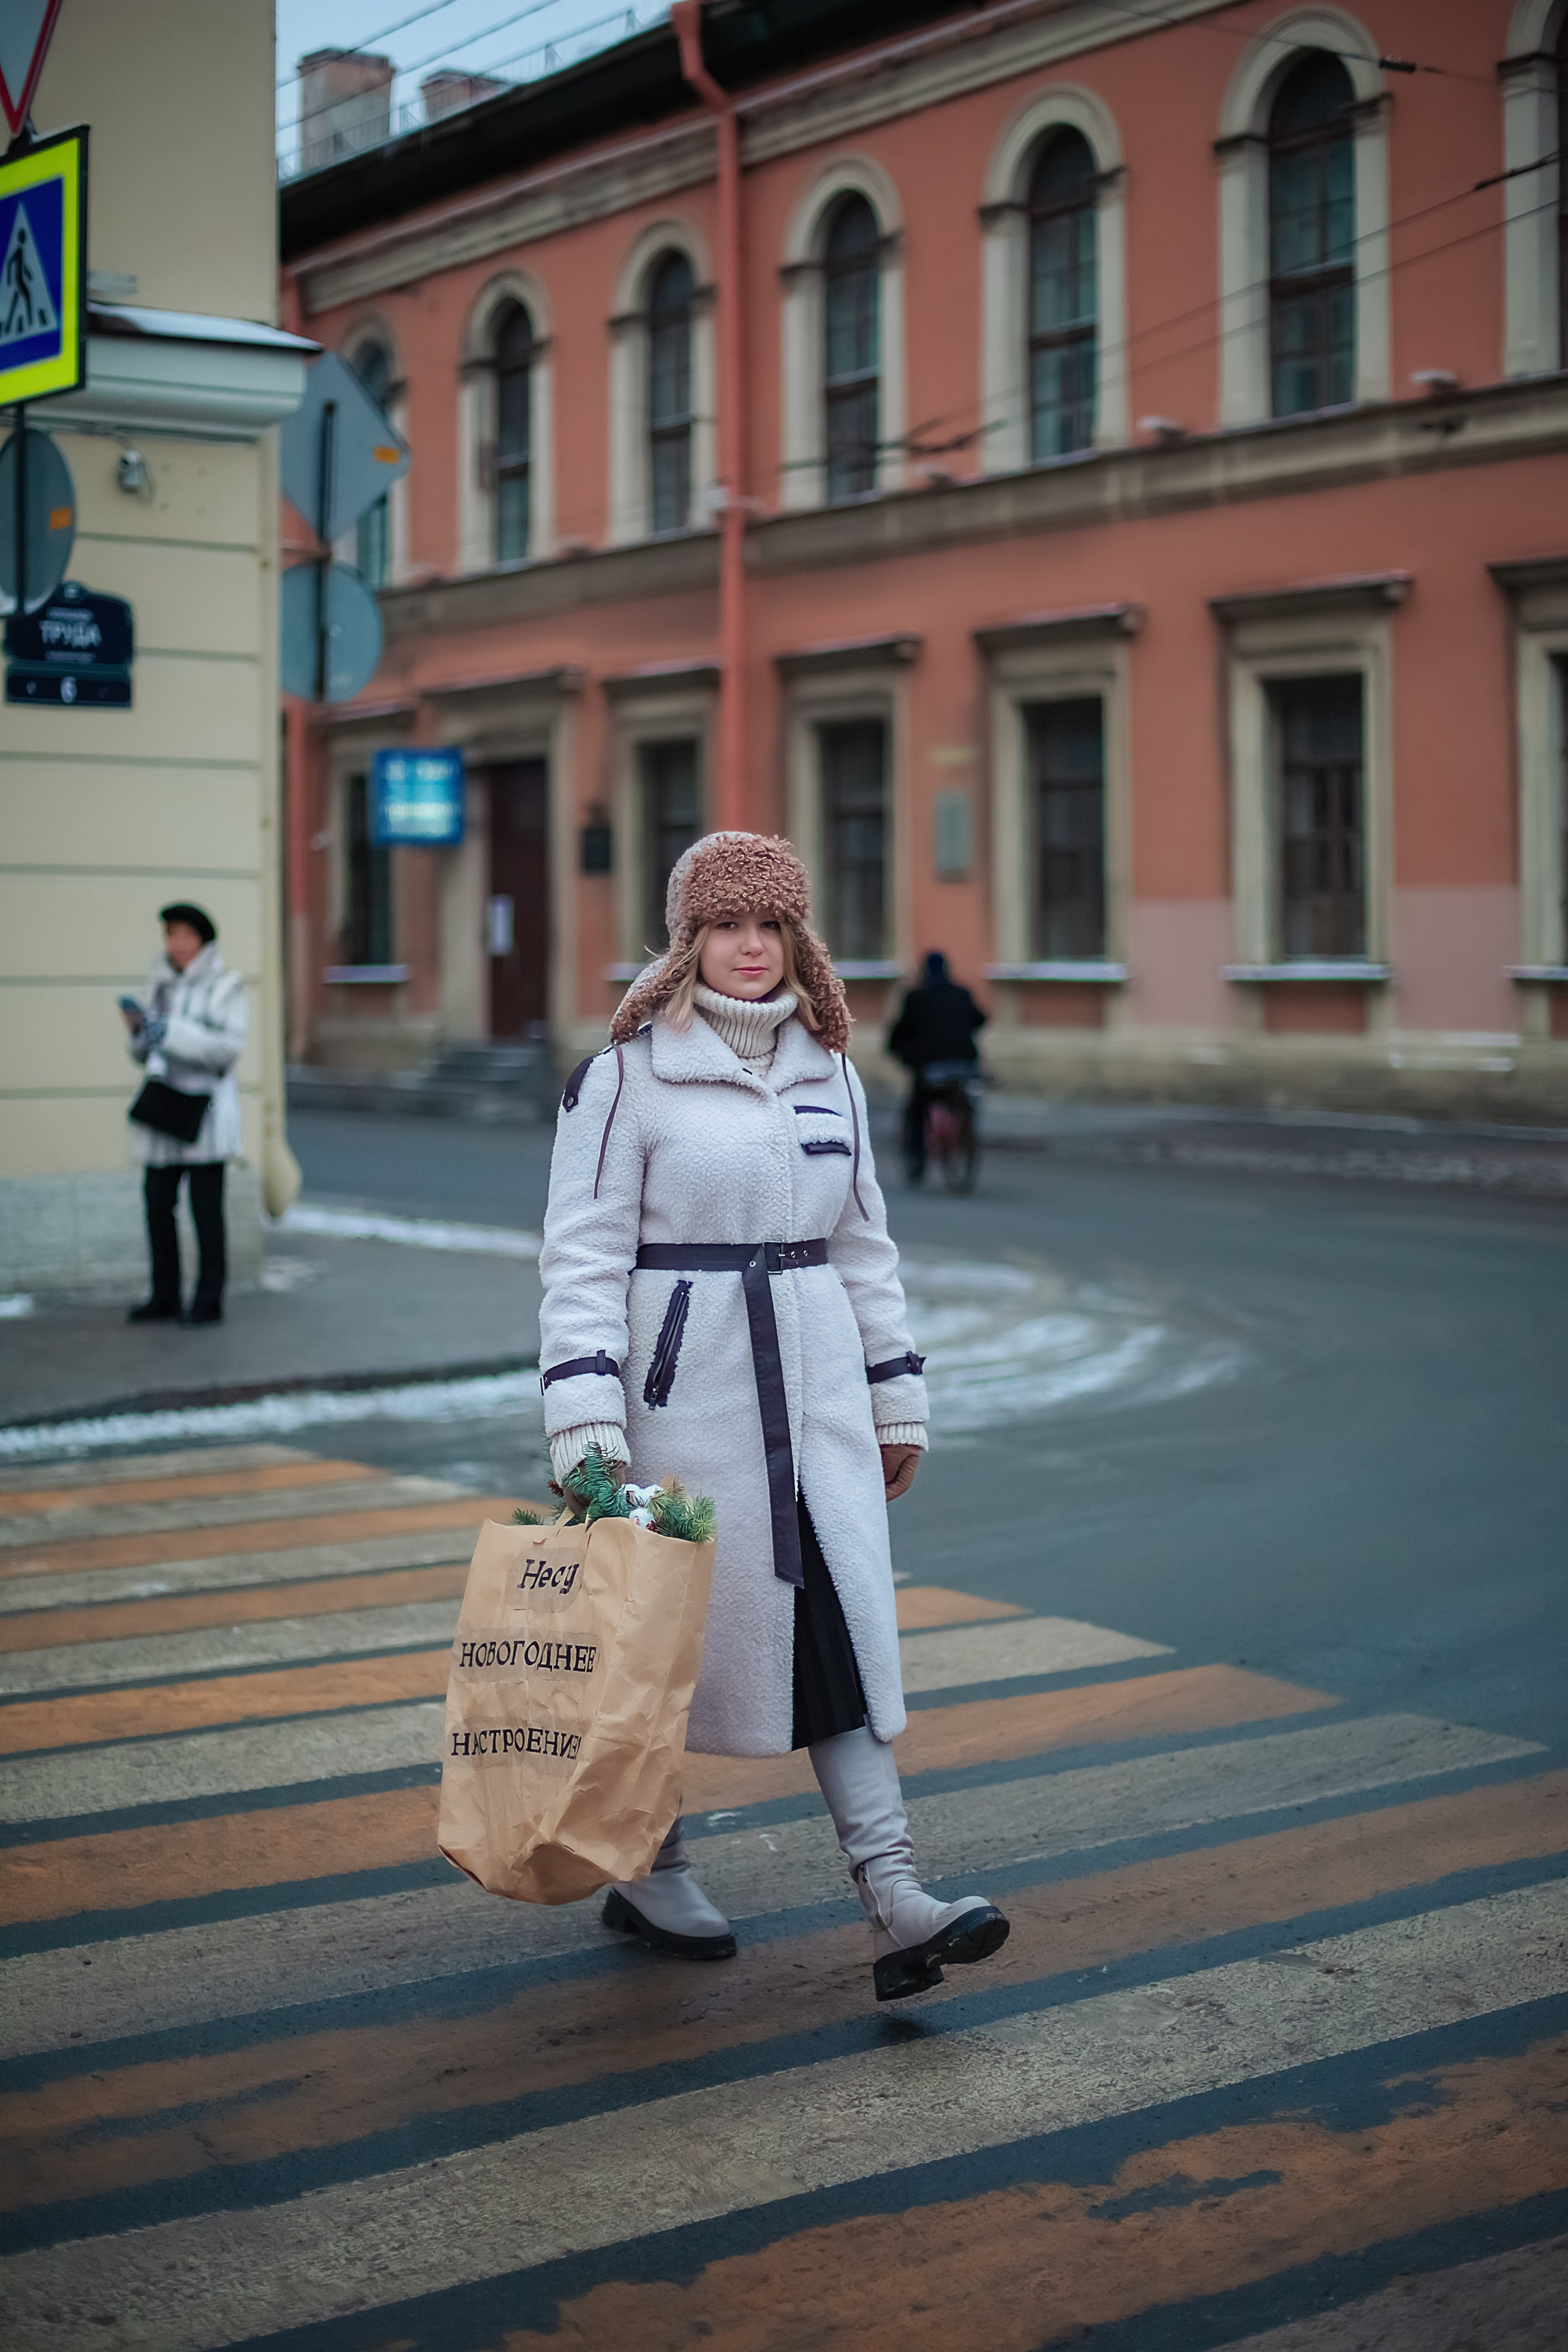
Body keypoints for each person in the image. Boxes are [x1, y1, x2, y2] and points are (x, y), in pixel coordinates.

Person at [539, 832, 1009, 2003]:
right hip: (681, 1417)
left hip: (819, 1417)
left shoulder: (832, 1069)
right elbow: (582, 1260)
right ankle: (648, 1865)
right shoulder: (626, 1075)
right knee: (660, 1648)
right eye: (726, 927)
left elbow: (862, 1246)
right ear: (687, 941)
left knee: (837, 1643)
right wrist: (587, 1422)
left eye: (773, 928)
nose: (752, 949)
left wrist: (896, 1392)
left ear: (799, 941)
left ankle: (898, 1900)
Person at [120, 902, 247, 1326]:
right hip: (164, 1110)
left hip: (205, 1113)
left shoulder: (226, 985)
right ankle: (165, 1294)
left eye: (186, 935)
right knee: (157, 1203)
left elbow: (226, 1049)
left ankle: (209, 1299)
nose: (177, 944)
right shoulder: (158, 984)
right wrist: (140, 1032)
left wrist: (169, 1032)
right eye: (171, 935)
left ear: (203, 941)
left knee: (205, 1209)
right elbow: (143, 1054)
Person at [887, 950, 987, 1183]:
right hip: (965, 1064)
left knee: (916, 1110)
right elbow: (980, 1019)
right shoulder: (962, 994)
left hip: (929, 1069)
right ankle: (967, 1135)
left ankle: (916, 1159)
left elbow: (901, 1031)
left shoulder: (916, 997)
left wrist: (899, 1052)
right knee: (967, 1099)